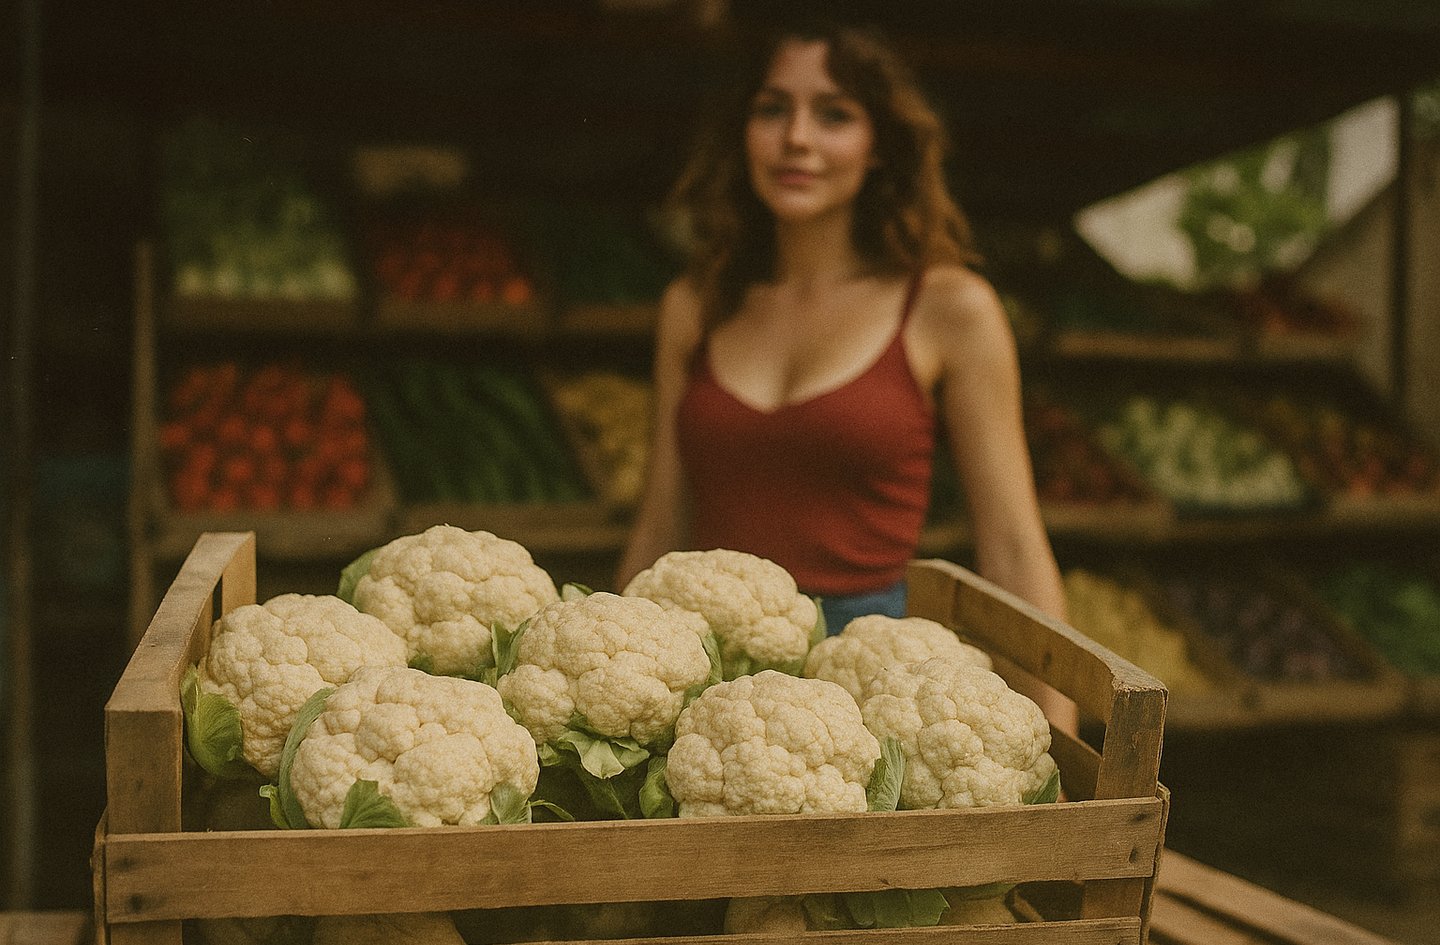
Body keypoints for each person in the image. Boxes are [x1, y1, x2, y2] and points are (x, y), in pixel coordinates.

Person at [616, 20, 1077, 733]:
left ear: (880, 146)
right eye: (773, 109)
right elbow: (661, 522)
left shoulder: (948, 309)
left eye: (834, 114)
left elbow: (1013, 545)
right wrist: (613, 667)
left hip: (868, 684)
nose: (796, 138)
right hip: (700, 676)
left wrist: (1062, 736)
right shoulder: (696, 306)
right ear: (744, 132)